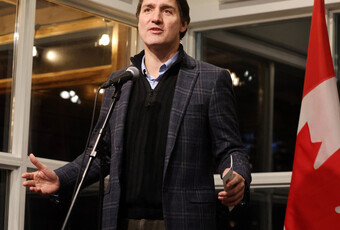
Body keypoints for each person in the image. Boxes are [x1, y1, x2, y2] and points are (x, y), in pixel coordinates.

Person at [22, 0, 251, 229]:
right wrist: (60, 178)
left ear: (183, 24)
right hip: (121, 221)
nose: (156, 17)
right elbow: (99, 156)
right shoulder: (119, 82)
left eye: (167, 10)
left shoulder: (210, 79)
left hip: (184, 219)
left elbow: (230, 148)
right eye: (148, 9)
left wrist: (237, 172)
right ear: (139, 20)